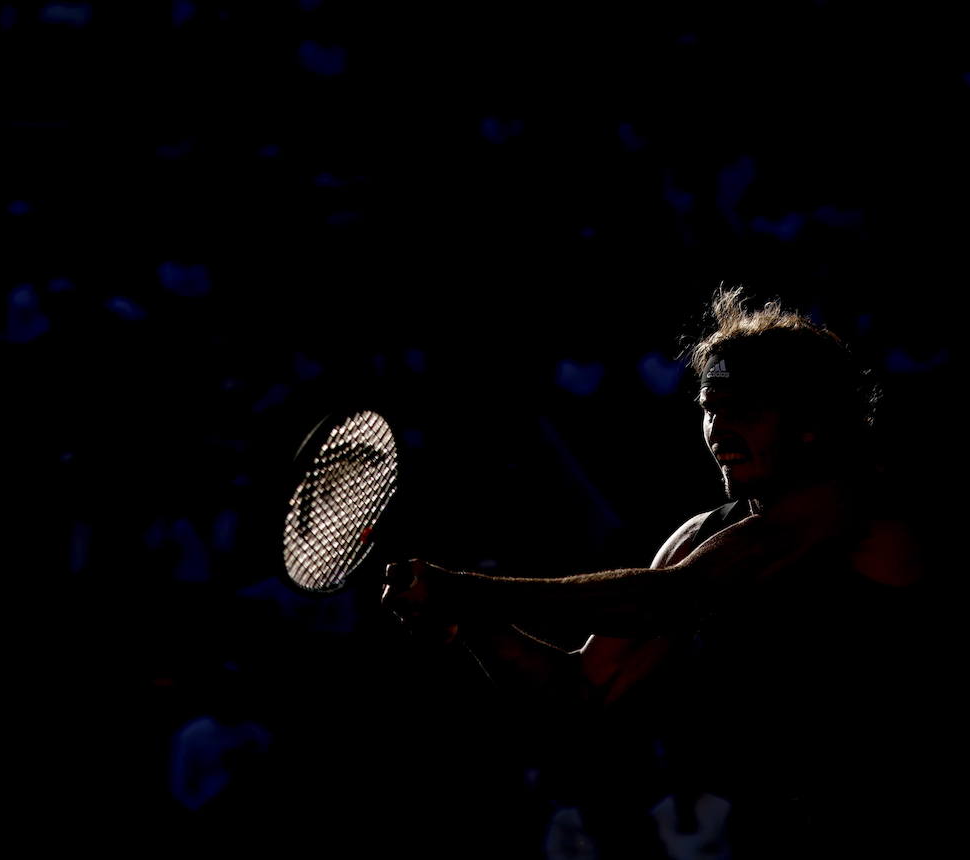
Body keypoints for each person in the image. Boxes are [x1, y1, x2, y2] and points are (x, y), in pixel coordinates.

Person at [381, 288, 942, 857]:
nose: (718, 425)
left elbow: (670, 598)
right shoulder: (701, 536)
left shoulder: (856, 504)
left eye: (743, 406)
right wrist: (473, 618)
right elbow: (581, 696)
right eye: (709, 406)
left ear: (811, 419)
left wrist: (468, 592)